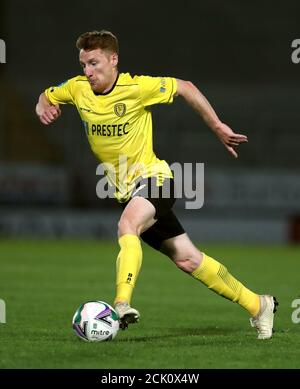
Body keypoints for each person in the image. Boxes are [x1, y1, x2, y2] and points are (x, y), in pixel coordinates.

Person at [36, 30, 278, 339]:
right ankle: (258, 305)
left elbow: (185, 87)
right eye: (84, 64)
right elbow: (46, 96)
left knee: (127, 227)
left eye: (94, 63)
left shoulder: (137, 88)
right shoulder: (76, 88)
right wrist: (43, 106)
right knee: (188, 259)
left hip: (156, 180)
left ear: (114, 60)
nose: (88, 71)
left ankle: (120, 305)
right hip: (128, 192)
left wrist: (217, 126)